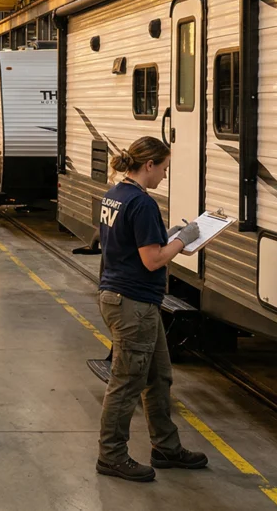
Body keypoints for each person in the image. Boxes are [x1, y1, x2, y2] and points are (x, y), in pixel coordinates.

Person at [95, 136, 208, 483]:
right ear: (149, 165)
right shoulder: (142, 203)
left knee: (158, 377)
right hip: (133, 303)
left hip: (125, 298)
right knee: (127, 382)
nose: (164, 175)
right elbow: (152, 260)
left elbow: (129, 242)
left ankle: (165, 447)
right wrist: (183, 239)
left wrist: (167, 236)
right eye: (164, 168)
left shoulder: (115, 194)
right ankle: (111, 455)